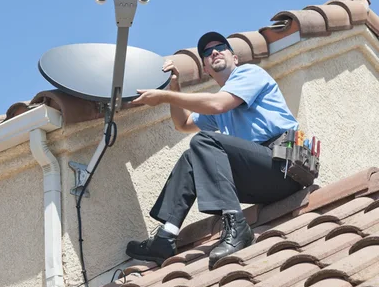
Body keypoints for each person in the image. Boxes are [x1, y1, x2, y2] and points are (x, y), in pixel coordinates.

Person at [126, 31, 300, 269]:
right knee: (192, 156)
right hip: (259, 175)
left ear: (235, 58)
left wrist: (165, 96)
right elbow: (183, 124)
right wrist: (174, 86)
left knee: (205, 142)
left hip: (282, 169)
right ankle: (166, 237)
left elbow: (219, 104)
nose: (214, 52)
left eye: (220, 47)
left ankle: (236, 225)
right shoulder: (221, 105)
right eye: (207, 53)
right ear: (207, 69)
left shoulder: (250, 73)